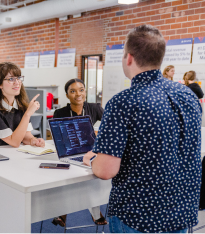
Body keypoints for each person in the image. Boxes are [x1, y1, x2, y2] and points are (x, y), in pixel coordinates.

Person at [83, 24, 202, 233]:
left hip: (138, 216)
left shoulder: (124, 102)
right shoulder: (189, 97)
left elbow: (105, 170)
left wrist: (92, 158)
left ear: (129, 58)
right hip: (180, 211)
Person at [51, 78, 106, 227]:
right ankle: (95, 211)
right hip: (70, 152)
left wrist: (96, 133)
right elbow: (59, 137)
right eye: (73, 91)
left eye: (81, 90)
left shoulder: (94, 108)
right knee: (69, 175)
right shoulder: (60, 112)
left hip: (90, 152)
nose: (78, 94)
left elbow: (109, 126)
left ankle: (63, 212)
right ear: (67, 95)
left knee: (89, 175)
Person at [0, 62, 45, 148]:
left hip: (10, 153)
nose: (17, 82)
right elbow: (14, 142)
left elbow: (25, 135)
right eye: (11, 79)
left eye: (18, 78)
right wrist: (28, 114)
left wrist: (33, 140)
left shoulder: (20, 105)